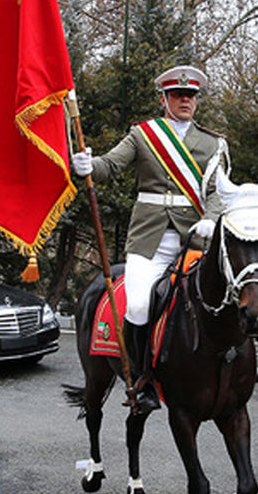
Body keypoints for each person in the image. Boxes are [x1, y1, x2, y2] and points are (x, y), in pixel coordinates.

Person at [72, 65, 243, 412]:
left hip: (195, 240)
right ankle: (144, 379)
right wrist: (87, 164)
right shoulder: (143, 135)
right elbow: (110, 166)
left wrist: (211, 221)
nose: (185, 100)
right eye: (178, 95)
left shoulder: (214, 143)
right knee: (136, 305)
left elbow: (218, 192)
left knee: (237, 292)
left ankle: (241, 365)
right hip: (148, 239)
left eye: (190, 95)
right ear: (164, 98)